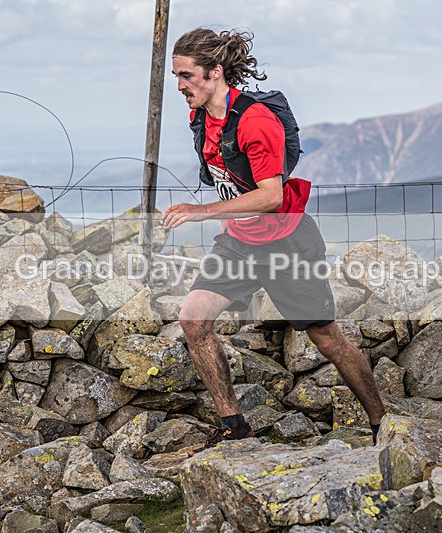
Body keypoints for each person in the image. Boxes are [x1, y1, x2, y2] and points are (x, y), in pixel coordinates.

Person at [164, 28, 385, 448]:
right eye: (176, 76)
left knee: (326, 338)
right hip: (239, 242)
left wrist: (200, 212)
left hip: (286, 242)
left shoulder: (255, 120)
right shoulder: (201, 118)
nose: (180, 86)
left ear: (215, 71)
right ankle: (233, 426)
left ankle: (380, 422)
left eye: (187, 76)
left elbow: (271, 195)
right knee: (194, 320)